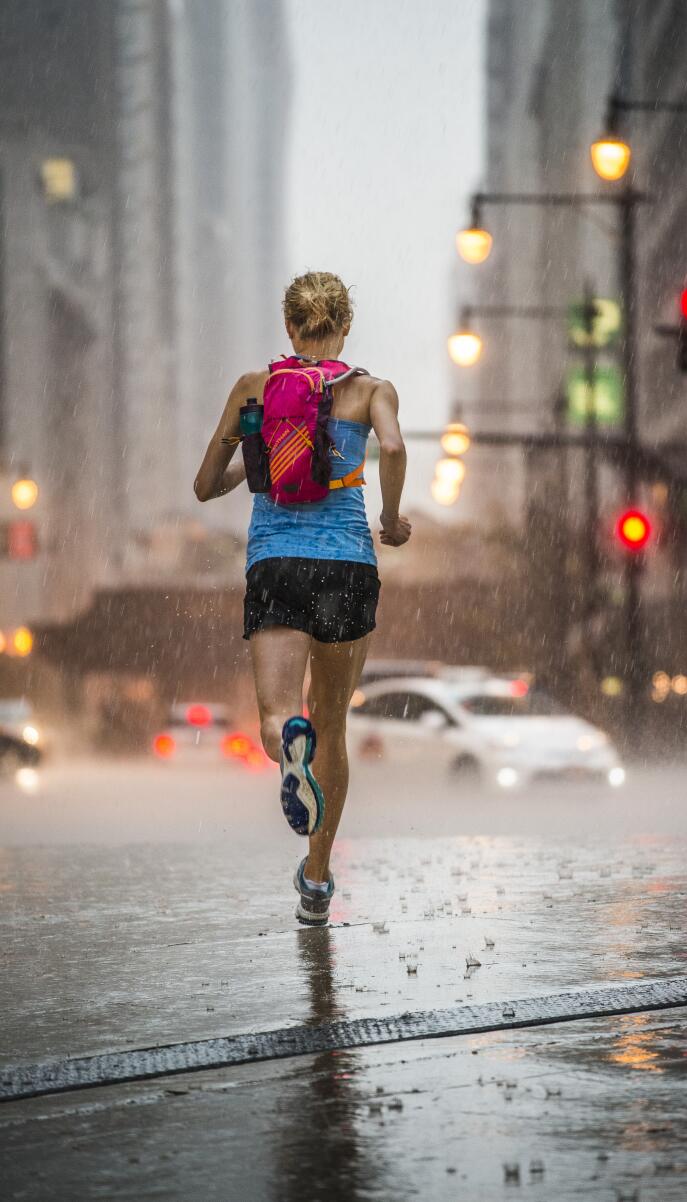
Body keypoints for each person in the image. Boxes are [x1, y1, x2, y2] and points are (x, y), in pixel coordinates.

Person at [194, 271, 410, 924]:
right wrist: (392, 519)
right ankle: (317, 878)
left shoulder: (252, 390)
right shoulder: (371, 390)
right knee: (335, 726)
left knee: (279, 714)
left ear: (290, 327)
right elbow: (395, 447)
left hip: (276, 564)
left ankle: (287, 742)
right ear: (345, 328)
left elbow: (205, 486)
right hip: (347, 566)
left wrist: (255, 465)